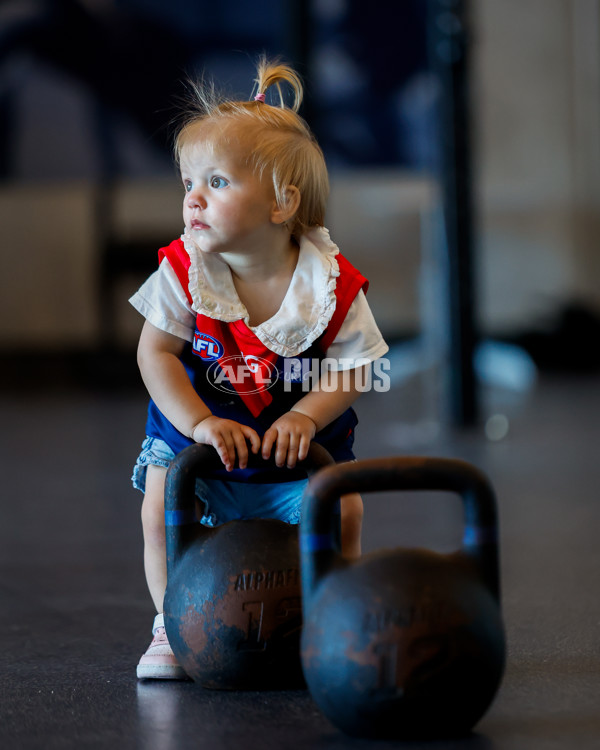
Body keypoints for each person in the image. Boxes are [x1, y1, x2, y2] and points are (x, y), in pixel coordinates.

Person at [130, 57, 389, 679]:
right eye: (188, 182)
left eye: (216, 182)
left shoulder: (328, 284)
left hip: (295, 457)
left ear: (281, 203)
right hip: (204, 449)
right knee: (161, 504)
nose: (193, 199)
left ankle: (332, 615)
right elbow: (154, 353)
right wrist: (196, 424)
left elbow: (356, 370)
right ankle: (173, 622)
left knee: (345, 509)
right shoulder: (183, 272)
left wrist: (306, 412)